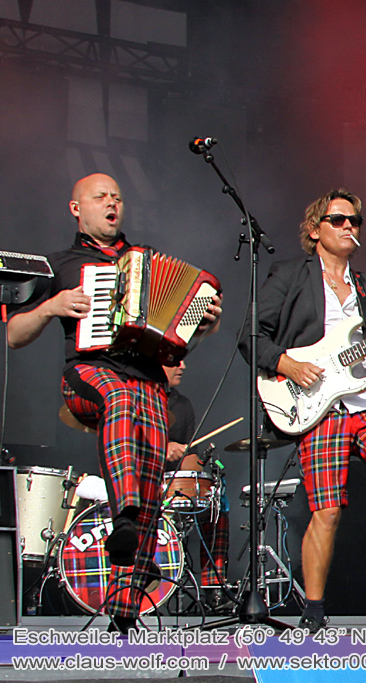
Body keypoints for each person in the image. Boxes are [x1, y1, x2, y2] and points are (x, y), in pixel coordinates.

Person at [7, 173, 222, 631]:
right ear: (76, 208)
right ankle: (123, 514)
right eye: (101, 197)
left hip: (147, 382)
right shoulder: (58, 265)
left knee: (150, 486)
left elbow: (176, 341)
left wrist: (201, 325)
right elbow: (13, 336)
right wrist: (51, 306)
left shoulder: (141, 260)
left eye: (117, 198)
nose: (111, 204)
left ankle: (124, 614)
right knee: (120, 398)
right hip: (88, 373)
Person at [242, 188, 366, 632]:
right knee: (327, 511)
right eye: (339, 220)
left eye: (355, 221)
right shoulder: (290, 276)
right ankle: (312, 611)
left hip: (365, 398)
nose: (350, 226)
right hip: (317, 403)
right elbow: (252, 335)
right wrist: (288, 363)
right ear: (315, 231)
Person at [162, 361, 230, 610]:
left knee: (216, 497)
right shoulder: (135, 396)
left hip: (171, 486)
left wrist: (197, 475)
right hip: (138, 480)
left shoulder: (182, 405)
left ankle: (214, 587)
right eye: (174, 361)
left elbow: (189, 455)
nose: (183, 365)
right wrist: (162, 448)